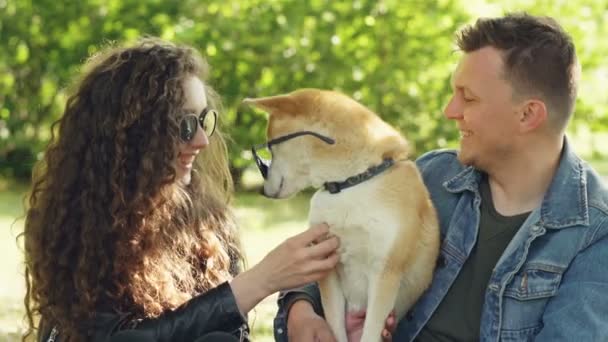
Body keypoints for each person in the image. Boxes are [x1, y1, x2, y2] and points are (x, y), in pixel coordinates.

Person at [275, 12, 608, 341]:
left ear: (527, 114)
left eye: (469, 98)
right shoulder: (433, 175)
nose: (450, 111)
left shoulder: (595, 234)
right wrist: (299, 312)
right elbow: (329, 256)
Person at [22, 38, 341, 342]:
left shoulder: (204, 216)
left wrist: (302, 301)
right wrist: (259, 281)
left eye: (204, 120)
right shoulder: (86, 218)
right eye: (184, 124)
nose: (202, 140)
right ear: (136, 133)